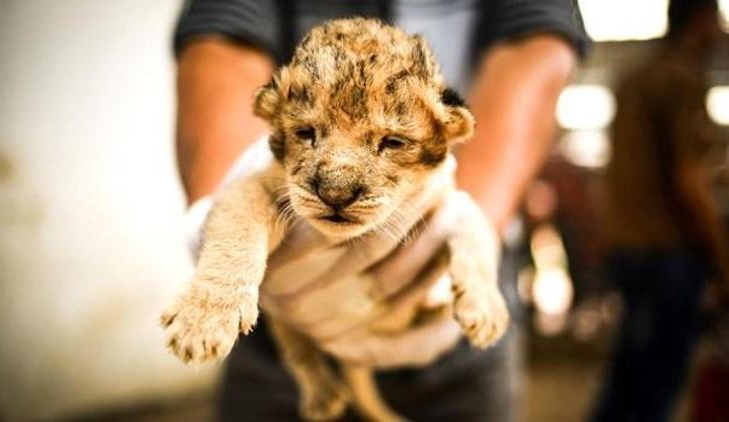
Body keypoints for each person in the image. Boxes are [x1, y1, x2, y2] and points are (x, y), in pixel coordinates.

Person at [173, 1, 587, 420]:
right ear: (273, 115)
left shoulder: (439, 165)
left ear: (451, 127)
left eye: (391, 142)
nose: (334, 187)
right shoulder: (274, 162)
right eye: (306, 132)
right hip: (275, 338)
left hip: (445, 347)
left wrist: (474, 278)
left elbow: (538, 41)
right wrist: (218, 282)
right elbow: (221, 32)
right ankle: (314, 378)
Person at [592, 1, 729, 421]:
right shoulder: (682, 78)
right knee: (657, 381)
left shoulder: (633, 79)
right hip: (668, 252)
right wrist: (722, 256)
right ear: (702, 21)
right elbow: (689, 181)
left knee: (629, 374)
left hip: (628, 247)